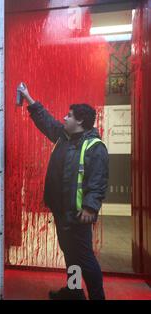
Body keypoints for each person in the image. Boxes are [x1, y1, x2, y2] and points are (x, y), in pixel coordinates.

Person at [18, 83, 109, 300]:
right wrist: (28, 97)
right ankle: (75, 291)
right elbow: (45, 120)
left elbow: (98, 181)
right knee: (70, 254)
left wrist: (90, 207)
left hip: (79, 215)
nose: (64, 118)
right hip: (61, 210)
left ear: (80, 121)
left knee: (85, 258)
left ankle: (98, 297)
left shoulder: (95, 147)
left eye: (69, 116)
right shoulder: (64, 137)